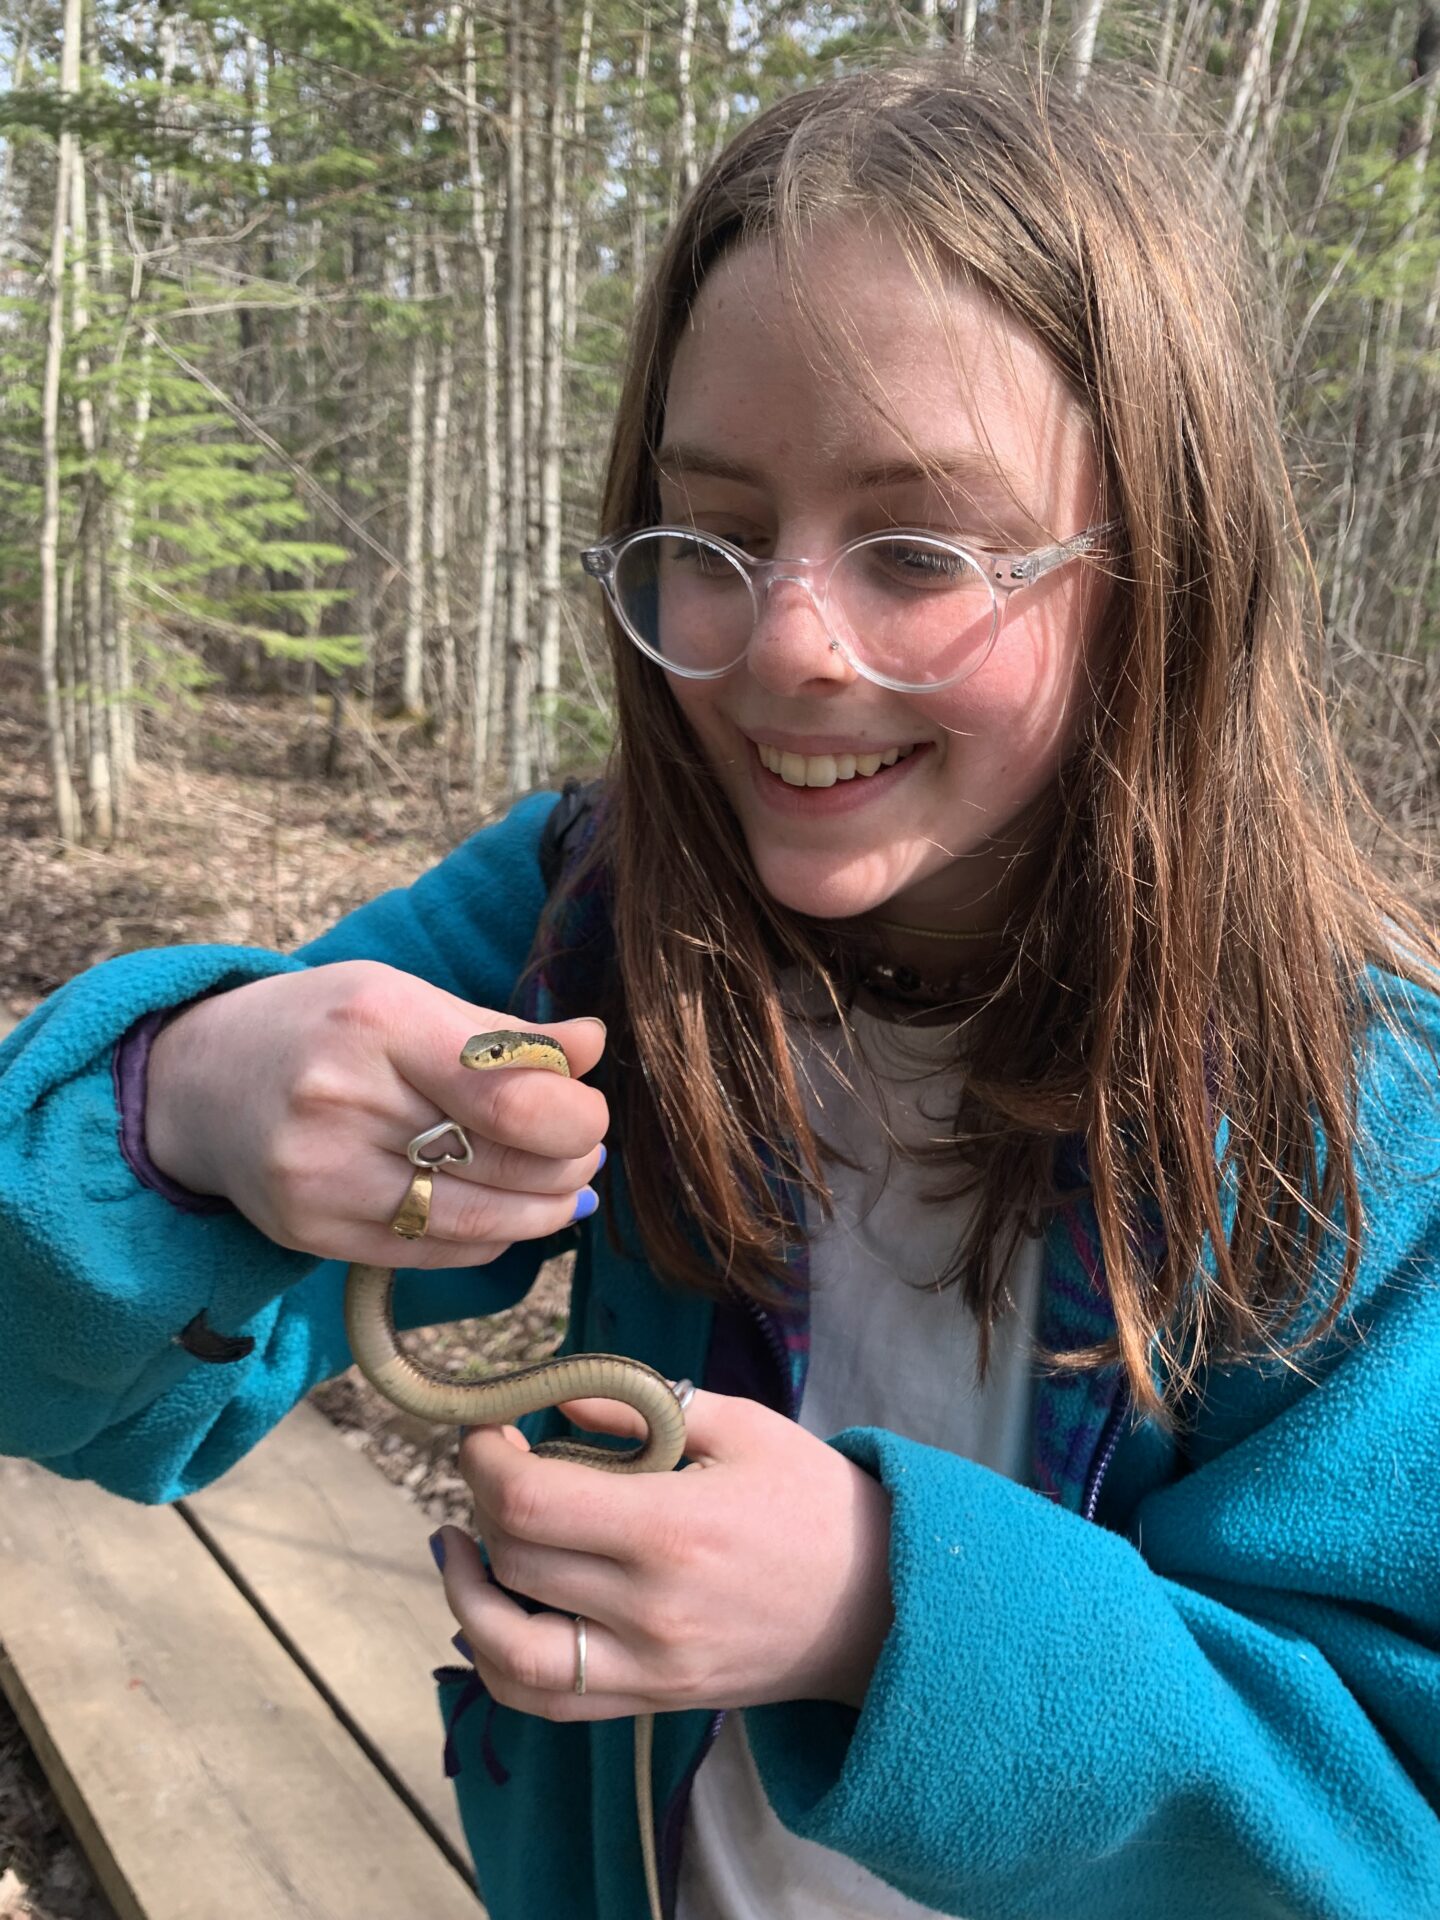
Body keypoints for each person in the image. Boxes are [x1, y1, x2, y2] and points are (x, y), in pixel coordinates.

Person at [2, 54, 1439, 1920]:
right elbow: (68, 1389)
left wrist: (877, 1608)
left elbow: (1384, 1824)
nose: (786, 646)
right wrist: (184, 1102)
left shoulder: (1365, 1131)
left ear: (1161, 577)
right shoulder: (585, 918)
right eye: (714, 534)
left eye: (921, 550)